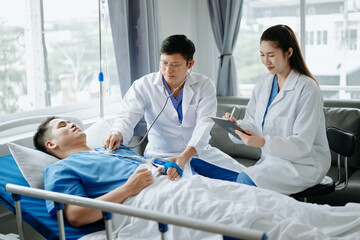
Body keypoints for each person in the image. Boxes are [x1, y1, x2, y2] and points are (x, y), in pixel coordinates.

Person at [33, 117, 360, 240]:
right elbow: (75, 215)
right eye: (62, 125)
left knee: (275, 203)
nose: (73, 125)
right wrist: (129, 187)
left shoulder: (109, 151)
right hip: (147, 200)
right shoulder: (60, 170)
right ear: (51, 144)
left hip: (179, 183)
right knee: (249, 218)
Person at [104, 34, 244, 181]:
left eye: (175, 65)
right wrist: (117, 132)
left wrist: (185, 156)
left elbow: (204, 125)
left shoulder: (204, 85)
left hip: (198, 154)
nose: (167, 70)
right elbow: (127, 115)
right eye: (164, 63)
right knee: (193, 189)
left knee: (247, 179)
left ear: (190, 64)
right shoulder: (143, 85)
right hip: (161, 156)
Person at [223, 24, 331, 195]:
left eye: (271, 55)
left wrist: (264, 142)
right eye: (262, 55)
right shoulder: (263, 83)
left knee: (245, 182)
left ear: (288, 53)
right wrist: (237, 126)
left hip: (304, 164)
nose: (266, 61)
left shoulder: (307, 88)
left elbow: (302, 144)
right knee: (236, 182)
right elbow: (253, 122)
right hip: (273, 161)